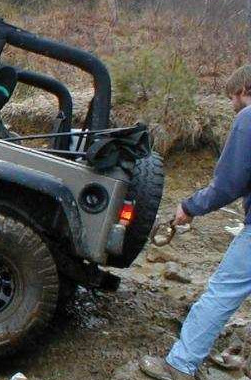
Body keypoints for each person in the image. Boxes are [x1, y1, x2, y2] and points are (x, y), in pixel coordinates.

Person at [140, 64, 251, 380]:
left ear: (244, 90)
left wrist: (190, 207)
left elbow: (229, 183)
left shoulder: (248, 119)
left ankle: (180, 364)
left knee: (222, 293)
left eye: (232, 98)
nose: (231, 106)